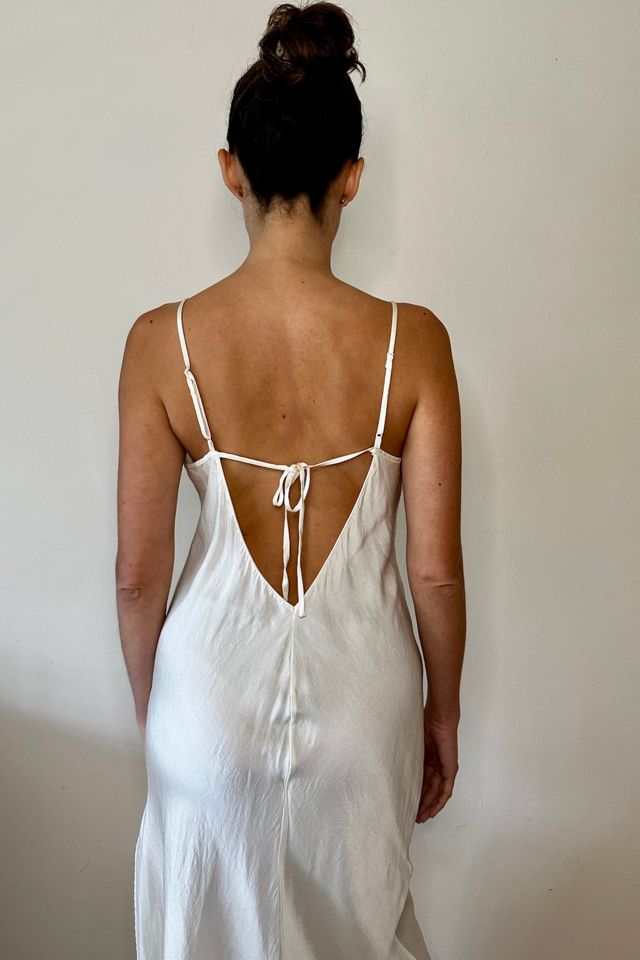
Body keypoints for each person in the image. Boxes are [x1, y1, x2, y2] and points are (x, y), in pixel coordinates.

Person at [116, 3, 465, 958]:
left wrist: (159, 708)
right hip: (367, 704)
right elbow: (436, 575)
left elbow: (138, 580)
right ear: (352, 176)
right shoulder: (414, 344)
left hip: (205, 695)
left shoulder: (160, 344)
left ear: (231, 167)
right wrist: (441, 715)